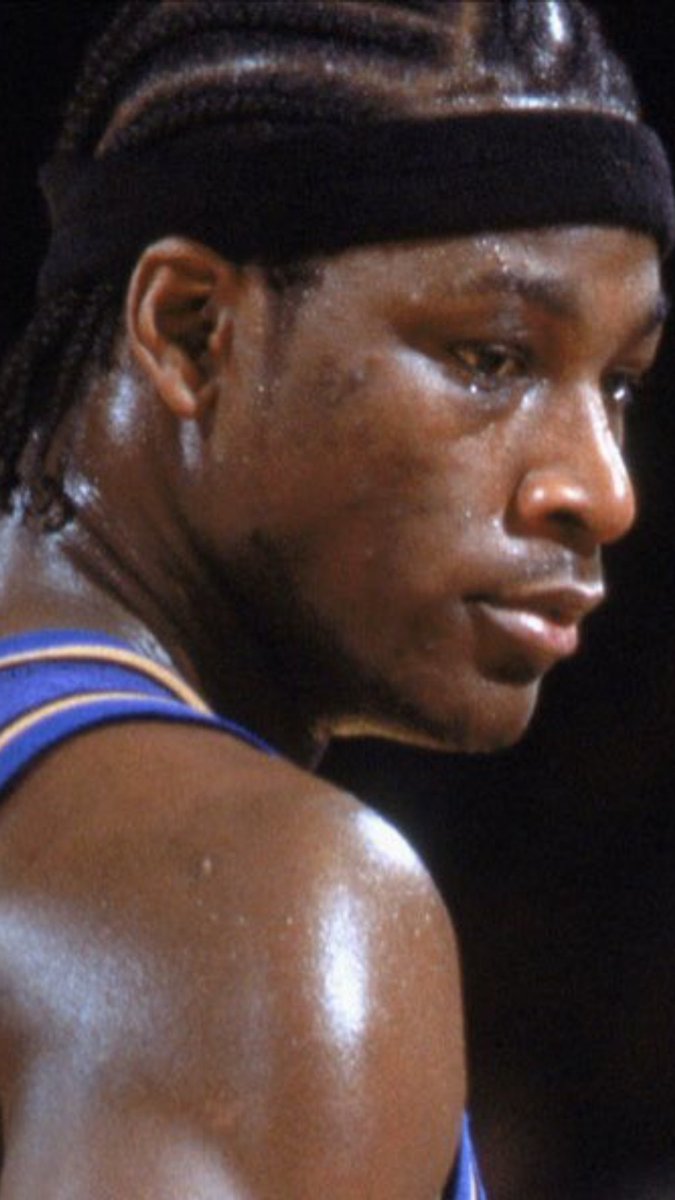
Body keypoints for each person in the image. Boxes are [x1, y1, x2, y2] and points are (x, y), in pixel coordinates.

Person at [0, 1, 671, 1196]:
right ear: (191, 331)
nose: (602, 492)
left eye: (619, 385)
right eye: (492, 358)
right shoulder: (276, 907)